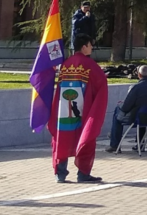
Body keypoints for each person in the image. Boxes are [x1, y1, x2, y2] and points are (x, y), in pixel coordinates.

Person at [50, 34, 107, 183]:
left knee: (62, 138)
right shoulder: (90, 65)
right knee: (86, 137)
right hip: (83, 111)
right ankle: (83, 173)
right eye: (90, 45)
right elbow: (101, 84)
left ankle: (60, 174)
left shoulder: (66, 64)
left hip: (64, 111)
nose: (92, 47)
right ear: (84, 47)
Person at [107, 65, 147, 152]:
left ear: (139, 74)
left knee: (117, 113)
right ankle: (140, 144)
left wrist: (121, 106)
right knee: (141, 110)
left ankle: (114, 144)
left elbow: (126, 107)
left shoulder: (137, 87)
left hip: (136, 118)